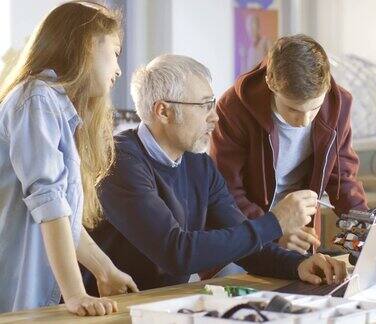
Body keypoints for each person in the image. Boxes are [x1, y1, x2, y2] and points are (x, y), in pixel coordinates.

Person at [85, 54, 347, 293]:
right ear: (163, 111)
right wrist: (275, 223)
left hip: (161, 303)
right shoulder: (119, 161)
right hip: (108, 310)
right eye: (204, 106)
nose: (215, 118)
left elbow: (244, 243)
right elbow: (176, 253)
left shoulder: (200, 164)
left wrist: (298, 265)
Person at [0, 1, 138, 315]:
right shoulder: (37, 97)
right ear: (88, 44)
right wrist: (75, 293)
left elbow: (63, 215)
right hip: (13, 296)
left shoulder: (52, 105)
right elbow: (48, 201)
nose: (118, 68)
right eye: (115, 52)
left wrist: (105, 270)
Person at [211, 34, 368, 254]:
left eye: (314, 109)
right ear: (270, 83)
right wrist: (273, 230)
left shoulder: (338, 104)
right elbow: (226, 193)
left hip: (300, 236)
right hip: (241, 238)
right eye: (293, 109)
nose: (304, 121)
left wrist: (365, 231)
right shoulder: (233, 108)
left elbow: (342, 180)